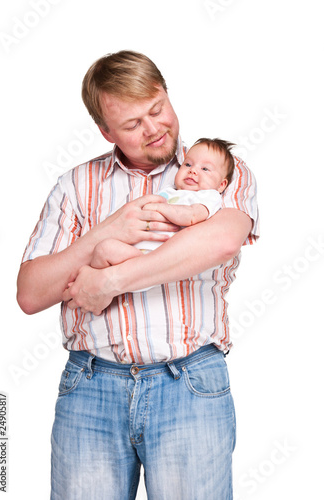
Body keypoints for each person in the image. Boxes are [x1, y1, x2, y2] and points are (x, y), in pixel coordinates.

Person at [17, 50, 259, 499]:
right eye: (132, 124)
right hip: (90, 387)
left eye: (157, 109)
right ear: (105, 131)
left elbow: (221, 240)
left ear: (166, 94)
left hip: (189, 384)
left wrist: (107, 281)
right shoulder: (75, 185)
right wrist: (104, 234)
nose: (154, 128)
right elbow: (31, 293)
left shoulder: (217, 169)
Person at [90, 137, 235, 270]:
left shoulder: (208, 196)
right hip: (135, 251)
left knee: (105, 250)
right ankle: (94, 289)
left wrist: (160, 207)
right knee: (101, 251)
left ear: (221, 185)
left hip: (153, 262)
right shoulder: (169, 191)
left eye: (205, 169)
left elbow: (191, 216)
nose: (193, 171)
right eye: (188, 164)